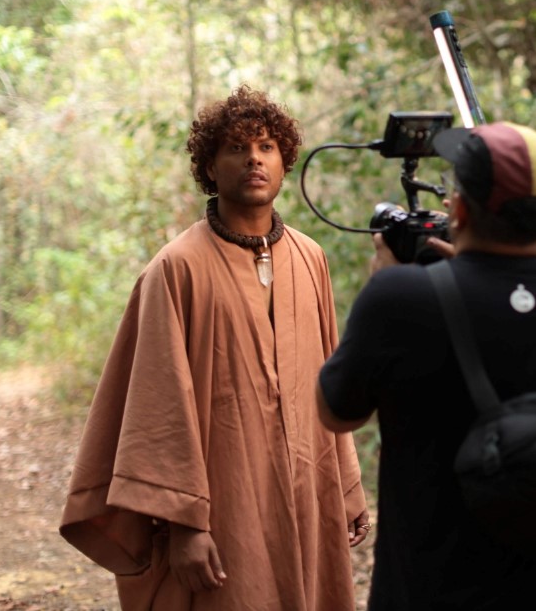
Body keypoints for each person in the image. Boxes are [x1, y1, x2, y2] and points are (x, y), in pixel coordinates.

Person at [59, 85, 369, 610]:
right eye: (236, 148)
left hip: (305, 492)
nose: (254, 159)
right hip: (225, 501)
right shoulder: (175, 269)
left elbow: (327, 382)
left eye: (267, 146)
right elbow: (158, 410)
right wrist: (184, 525)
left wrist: (345, 487)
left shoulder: (310, 259)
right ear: (210, 165)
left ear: (284, 160)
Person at [316, 121, 536, 610]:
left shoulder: (400, 298)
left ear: (460, 208)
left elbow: (336, 412)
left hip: (432, 587)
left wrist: (387, 285)